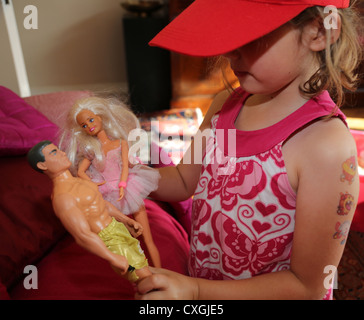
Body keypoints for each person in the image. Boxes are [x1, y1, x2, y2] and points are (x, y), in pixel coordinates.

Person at [135, 0, 363, 299]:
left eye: (252, 34)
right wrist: (129, 177)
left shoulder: (324, 147)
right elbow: (184, 180)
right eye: (228, 32)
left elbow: (308, 285)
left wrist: (195, 291)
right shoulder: (224, 108)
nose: (230, 50)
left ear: (318, 32)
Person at [27, 140, 152, 283]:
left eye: (58, 149)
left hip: (117, 228)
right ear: (42, 165)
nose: (62, 153)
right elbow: (82, 235)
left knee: (144, 274)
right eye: (54, 153)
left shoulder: (80, 181)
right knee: (145, 279)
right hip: (109, 240)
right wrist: (111, 256)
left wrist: (125, 220)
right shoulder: (63, 197)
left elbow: (102, 204)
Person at [59, 96, 161, 268]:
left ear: (100, 117)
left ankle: (162, 272)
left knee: (148, 239)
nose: (89, 126)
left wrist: (122, 184)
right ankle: (139, 272)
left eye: (91, 120)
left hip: (127, 189)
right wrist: (93, 184)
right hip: (107, 194)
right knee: (125, 241)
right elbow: (81, 171)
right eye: (84, 125)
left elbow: (125, 168)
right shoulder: (92, 151)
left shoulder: (120, 143)